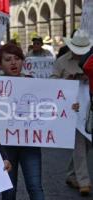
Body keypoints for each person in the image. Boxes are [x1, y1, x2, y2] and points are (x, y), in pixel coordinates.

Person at [0, 43, 45, 200]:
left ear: (23, 61)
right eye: (8, 59)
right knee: (9, 190)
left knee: (35, 187)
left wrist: (70, 106)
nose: (13, 63)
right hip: (5, 145)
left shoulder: (33, 81)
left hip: (30, 142)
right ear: (0, 64)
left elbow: (47, 105)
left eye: (17, 58)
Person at [50, 29, 93, 196]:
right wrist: (66, 81)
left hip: (88, 106)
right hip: (70, 107)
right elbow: (52, 81)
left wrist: (87, 77)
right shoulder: (61, 61)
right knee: (79, 143)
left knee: (86, 142)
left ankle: (71, 174)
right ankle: (84, 181)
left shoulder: (90, 60)